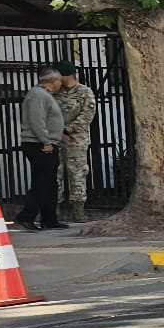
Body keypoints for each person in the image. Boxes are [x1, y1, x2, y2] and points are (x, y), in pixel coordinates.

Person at [15, 68, 67, 231]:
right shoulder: (38, 95)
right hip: (39, 144)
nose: (61, 84)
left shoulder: (44, 95)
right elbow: (37, 120)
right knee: (42, 181)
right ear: (53, 81)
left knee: (50, 183)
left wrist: (58, 136)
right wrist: (46, 141)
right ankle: (26, 216)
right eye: (59, 81)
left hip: (47, 142)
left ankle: (49, 219)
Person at [53, 60, 97, 223]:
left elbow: (87, 116)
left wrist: (67, 130)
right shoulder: (53, 92)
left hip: (77, 140)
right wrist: (57, 131)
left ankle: (78, 209)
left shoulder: (85, 92)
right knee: (54, 173)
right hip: (55, 139)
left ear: (67, 75)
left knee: (77, 173)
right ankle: (54, 208)